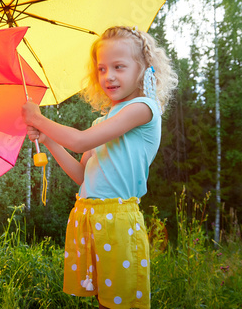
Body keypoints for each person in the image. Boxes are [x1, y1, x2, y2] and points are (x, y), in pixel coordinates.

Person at [22, 26, 178, 309]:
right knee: (104, 302)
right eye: (102, 69)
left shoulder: (143, 109)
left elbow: (80, 142)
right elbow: (82, 176)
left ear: (143, 69)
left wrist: (41, 119)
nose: (109, 76)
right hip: (89, 217)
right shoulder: (102, 123)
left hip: (117, 221)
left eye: (119, 67)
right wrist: (49, 141)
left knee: (121, 303)